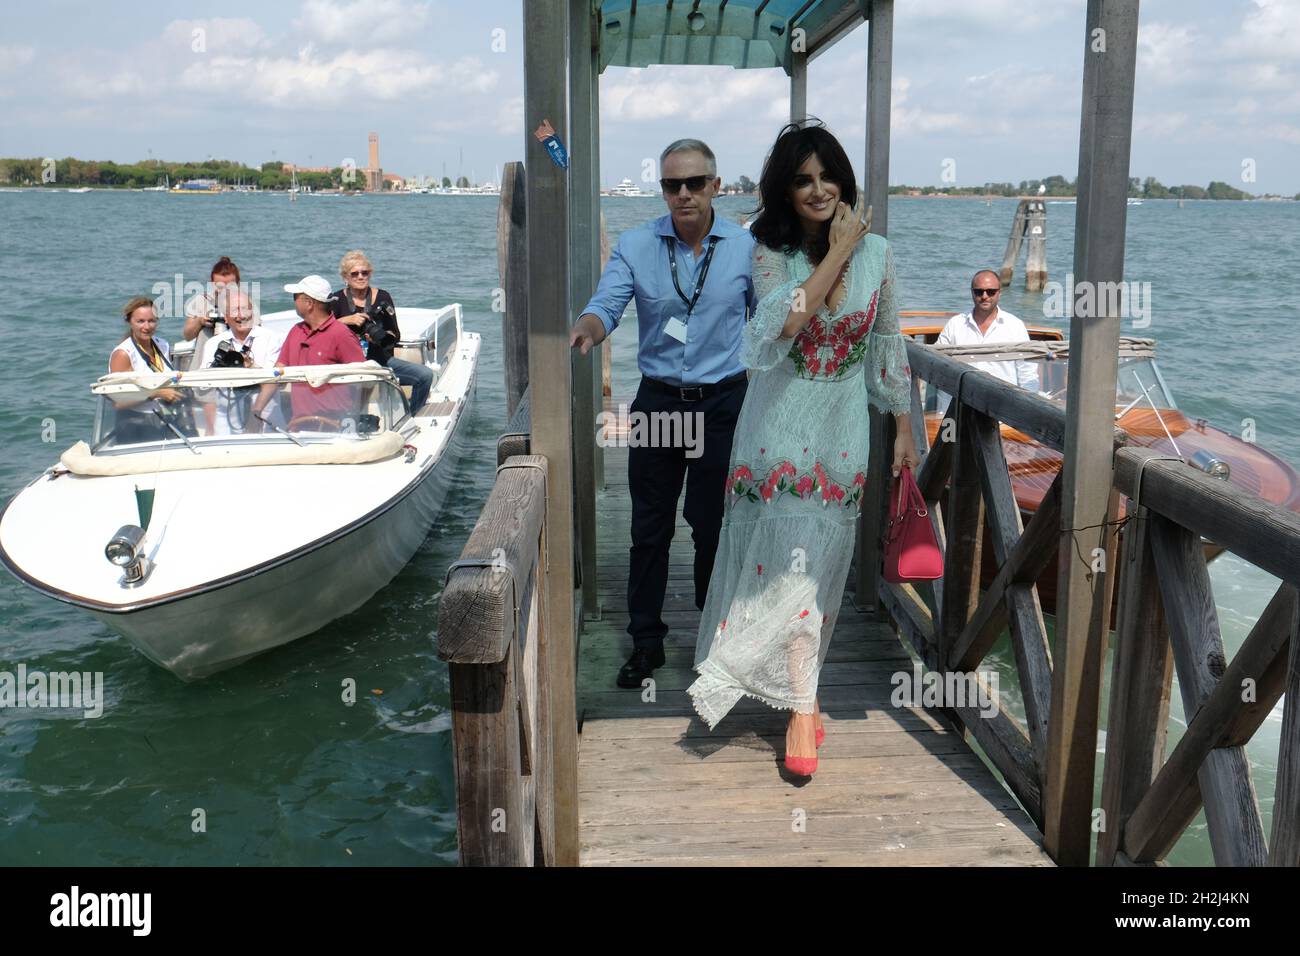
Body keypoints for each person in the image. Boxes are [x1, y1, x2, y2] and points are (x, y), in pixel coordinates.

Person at [686, 122, 919, 778]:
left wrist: (902, 428)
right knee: (787, 570)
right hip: (777, 430)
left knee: (818, 569)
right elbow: (784, 324)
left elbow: (888, 342)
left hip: (843, 429)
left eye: (827, 176)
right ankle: (803, 708)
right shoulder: (768, 250)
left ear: (843, 179)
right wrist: (838, 250)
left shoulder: (880, 253)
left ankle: (796, 693)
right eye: (803, 180)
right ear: (784, 192)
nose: (818, 189)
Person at [569, 138, 756, 689]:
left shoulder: (747, 249)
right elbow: (608, 304)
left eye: (695, 183)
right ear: (663, 190)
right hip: (659, 402)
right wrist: (588, 326)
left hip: (724, 402)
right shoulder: (635, 244)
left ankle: (712, 637)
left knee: (710, 527)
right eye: (672, 185)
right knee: (649, 528)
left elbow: (772, 323)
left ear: (716, 186)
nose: (684, 194)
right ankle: (645, 640)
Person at [249, 275, 364, 428]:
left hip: (335, 426)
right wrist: (256, 410)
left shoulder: (341, 334)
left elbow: (363, 379)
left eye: (296, 297)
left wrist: (354, 419)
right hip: (300, 425)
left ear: (309, 303)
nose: (293, 301)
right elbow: (278, 372)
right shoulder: (295, 332)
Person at [329, 250, 433, 414]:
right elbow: (322, 330)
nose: (361, 277)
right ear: (345, 278)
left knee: (425, 375)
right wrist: (345, 320)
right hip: (347, 363)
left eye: (365, 272)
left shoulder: (383, 297)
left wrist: (380, 337)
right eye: (354, 273)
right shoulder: (336, 300)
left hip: (379, 361)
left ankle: (412, 418)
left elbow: (395, 334)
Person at [933, 271, 1040, 410]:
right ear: (972, 293)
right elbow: (936, 363)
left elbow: (1027, 373)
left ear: (999, 293)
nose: (985, 296)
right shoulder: (955, 325)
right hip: (957, 411)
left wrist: (1028, 411)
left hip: (1003, 412)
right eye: (979, 292)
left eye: (991, 292)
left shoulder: (1015, 326)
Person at [197, 289, 284, 435]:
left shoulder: (271, 338)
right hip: (226, 424)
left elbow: (275, 380)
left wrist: (253, 367)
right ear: (225, 317)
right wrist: (219, 369)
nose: (240, 315)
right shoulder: (214, 344)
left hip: (266, 420)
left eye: (245, 309)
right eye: (234, 310)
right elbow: (202, 387)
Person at [109, 296, 192, 443]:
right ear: (129, 322)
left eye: (151, 321)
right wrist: (155, 393)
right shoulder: (123, 354)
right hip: (135, 424)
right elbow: (118, 402)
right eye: (140, 321)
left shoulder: (163, 345)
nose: (146, 327)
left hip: (164, 417)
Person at [182, 257, 244, 366]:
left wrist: (234, 322)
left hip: (235, 362)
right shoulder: (202, 301)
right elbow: (187, 336)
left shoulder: (245, 303)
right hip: (204, 363)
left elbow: (256, 334)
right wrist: (200, 322)